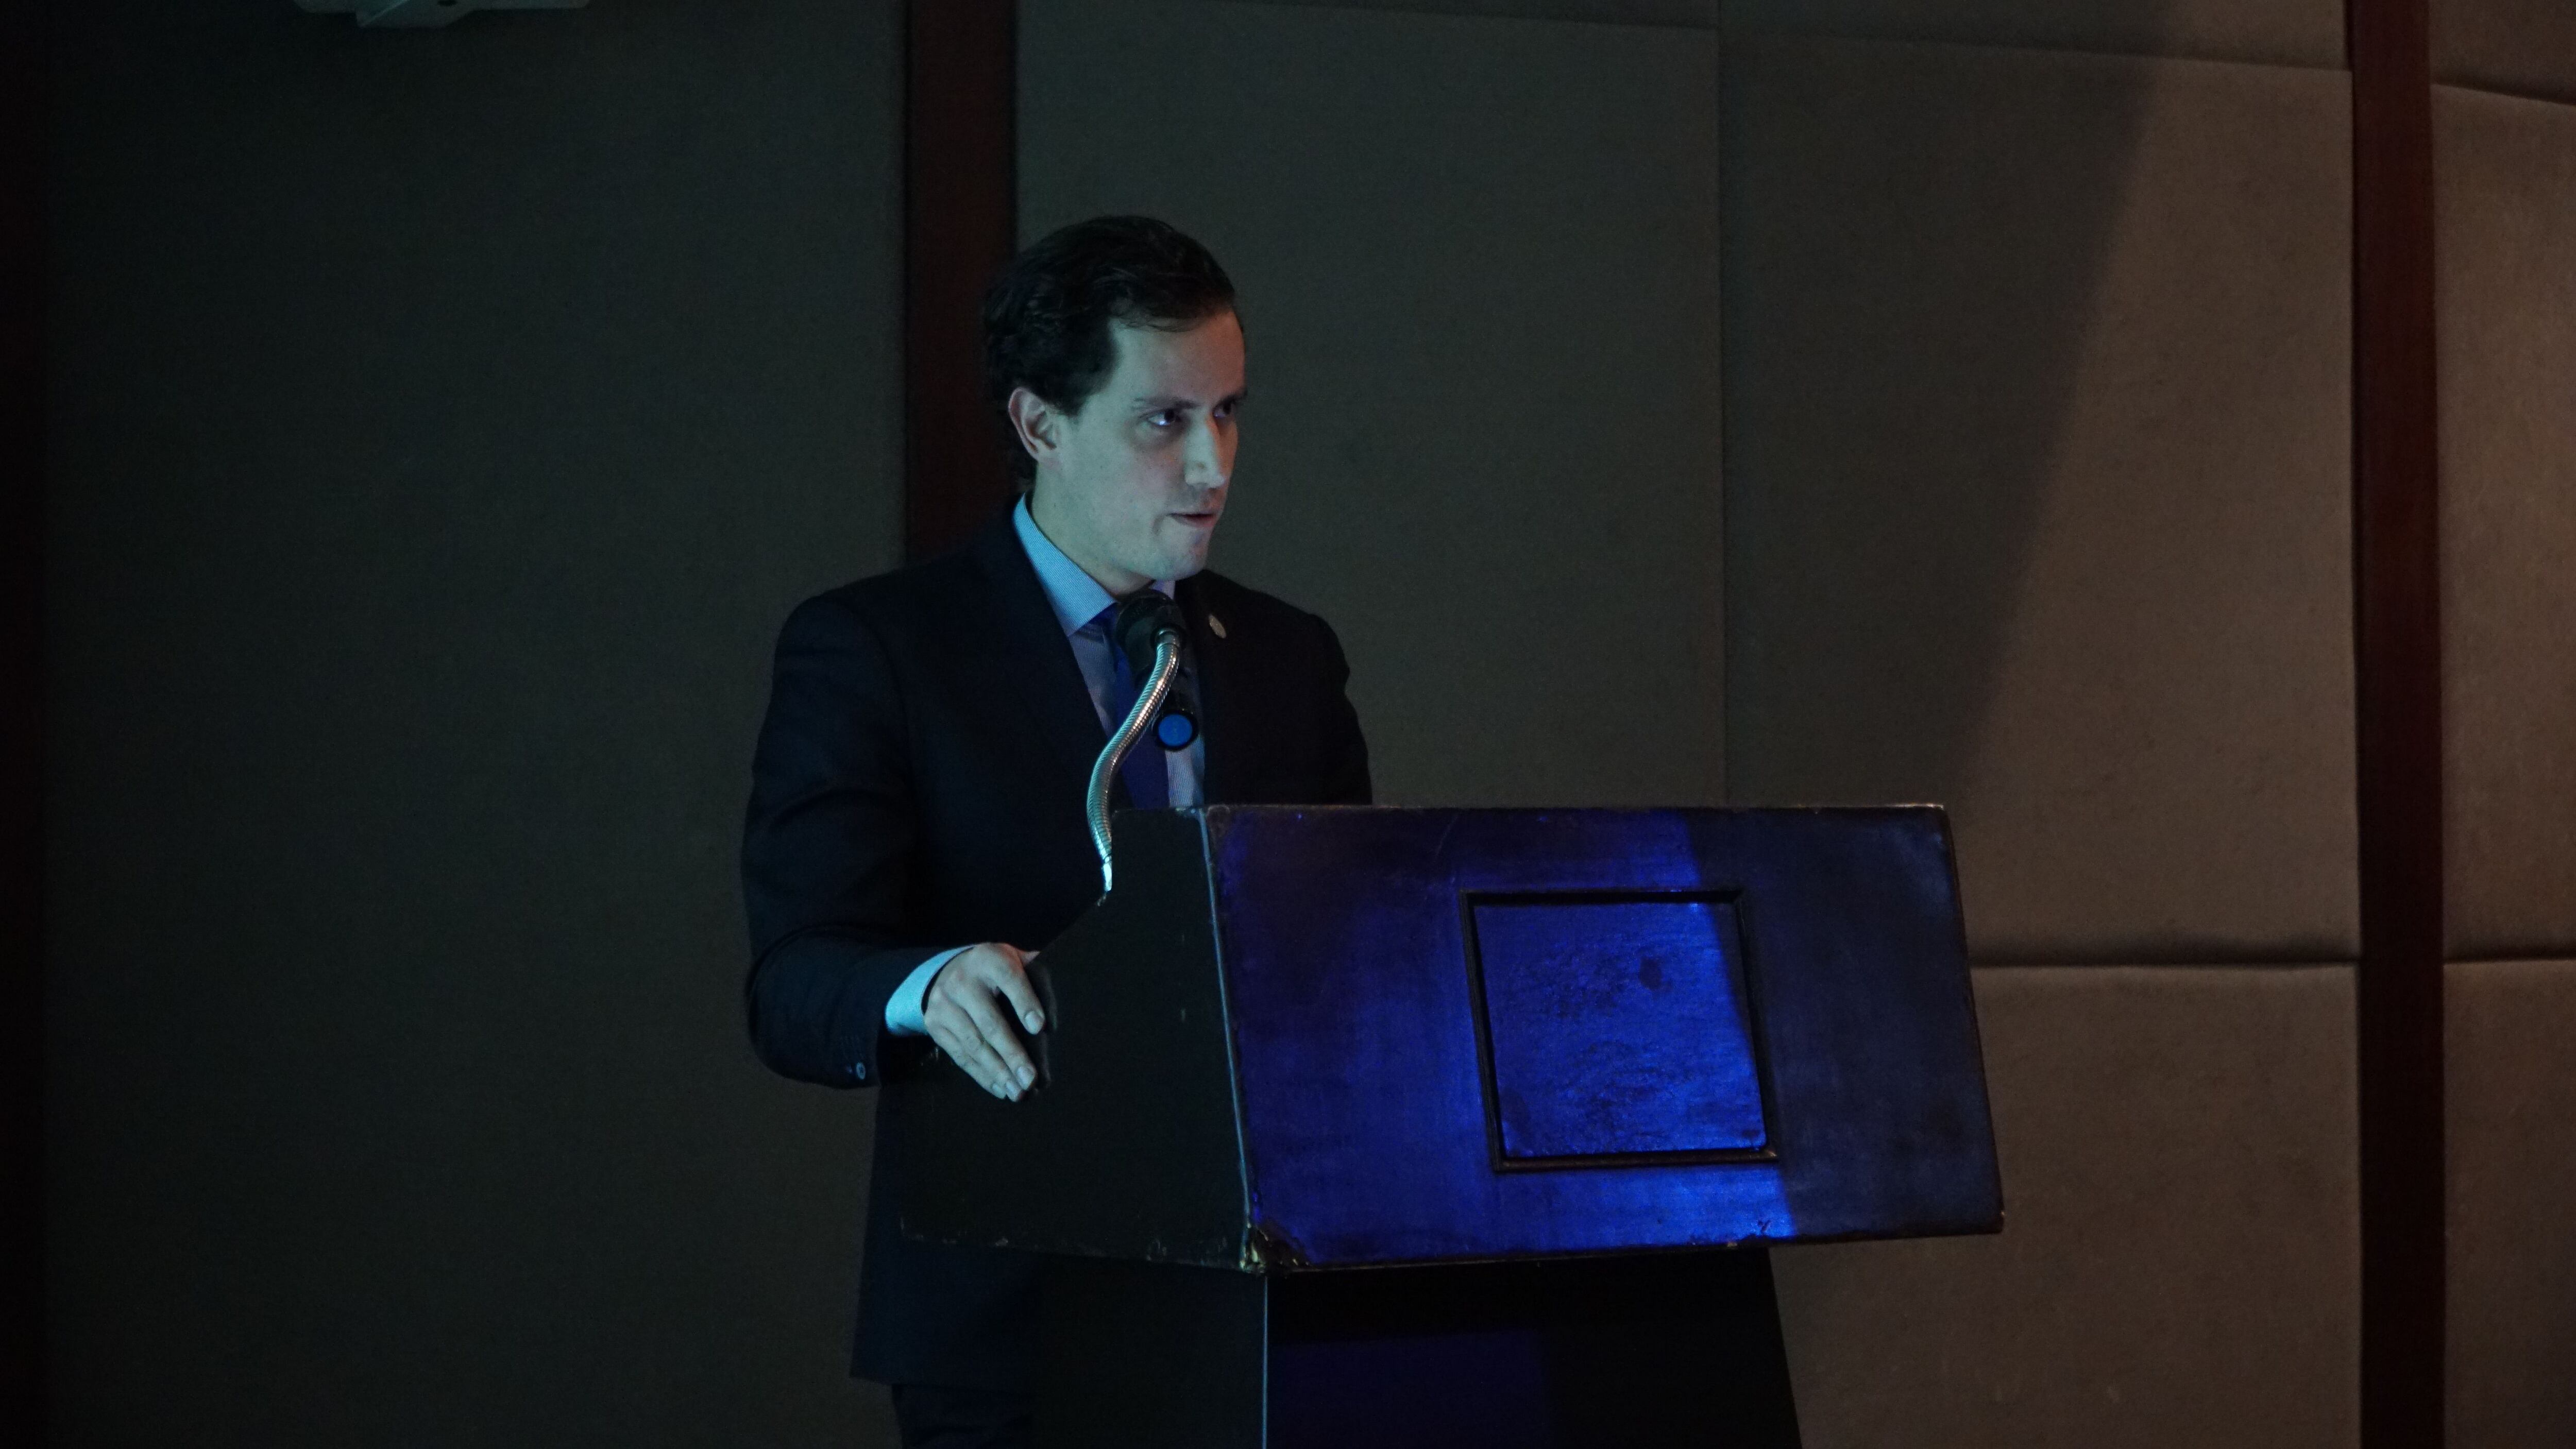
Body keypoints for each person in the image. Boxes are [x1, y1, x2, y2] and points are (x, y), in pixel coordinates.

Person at [740, 215, 1372, 1448]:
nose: (1211, 465)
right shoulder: (880, 649)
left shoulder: (1288, 657)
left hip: (1264, 1315)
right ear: (1039, 425)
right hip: (1007, 1327)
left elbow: (1349, 955)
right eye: (1163, 421)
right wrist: (925, 985)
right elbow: (794, 982)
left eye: (1227, 412)